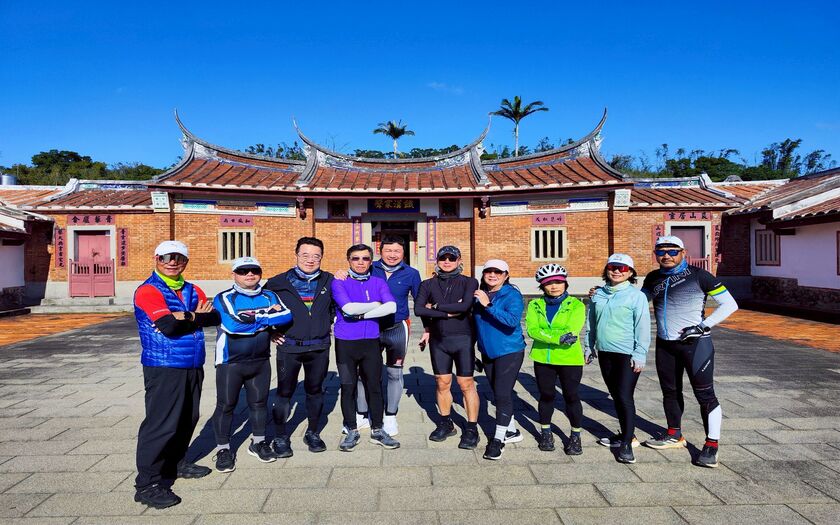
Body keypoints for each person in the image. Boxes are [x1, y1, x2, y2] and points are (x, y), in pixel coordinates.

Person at [133, 240, 220, 509]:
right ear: (156, 259)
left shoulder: (192, 289)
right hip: (164, 365)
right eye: (166, 257)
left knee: (187, 418)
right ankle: (147, 484)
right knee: (162, 424)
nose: (172, 262)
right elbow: (168, 326)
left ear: (186, 262)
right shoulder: (148, 290)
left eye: (179, 258)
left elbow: (214, 317)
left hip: (192, 363)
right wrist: (194, 317)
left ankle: (176, 463)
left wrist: (186, 315)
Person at [641, 235, 738, 468]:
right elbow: (638, 301)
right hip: (666, 344)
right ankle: (674, 434)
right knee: (670, 392)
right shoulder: (653, 277)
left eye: (672, 251)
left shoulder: (699, 275)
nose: (666, 255)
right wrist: (604, 293)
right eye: (661, 251)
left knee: (705, 395)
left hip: (695, 344)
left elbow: (730, 304)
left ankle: (711, 445)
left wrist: (703, 326)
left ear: (683, 253)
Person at [211, 257, 293, 472]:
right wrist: (268, 315)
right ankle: (223, 449)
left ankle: (258, 443)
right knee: (226, 405)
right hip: (230, 361)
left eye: (254, 270)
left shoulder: (269, 295)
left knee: (259, 403)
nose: (249, 274)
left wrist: (253, 317)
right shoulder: (224, 297)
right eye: (243, 271)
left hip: (260, 360)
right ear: (234, 274)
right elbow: (233, 325)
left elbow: (286, 316)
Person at [265, 237, 334, 456]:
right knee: (284, 392)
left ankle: (312, 432)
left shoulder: (330, 280)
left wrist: (328, 322)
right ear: (296, 255)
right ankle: (280, 436)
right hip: (290, 348)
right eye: (305, 255)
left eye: (316, 256)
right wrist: (270, 331)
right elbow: (261, 308)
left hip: (319, 347)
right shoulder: (277, 282)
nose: (310, 260)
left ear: (321, 257)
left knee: (315, 390)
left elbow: (336, 306)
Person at [332, 244, 401, 451]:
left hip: (371, 341)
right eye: (355, 258)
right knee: (348, 386)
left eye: (365, 258)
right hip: (346, 342)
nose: (360, 262)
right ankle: (351, 429)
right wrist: (376, 305)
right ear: (348, 260)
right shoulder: (339, 281)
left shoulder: (378, 282)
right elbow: (347, 308)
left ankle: (378, 429)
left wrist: (360, 315)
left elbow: (391, 307)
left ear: (371, 261)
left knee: (374, 386)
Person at [353, 235, 421, 436]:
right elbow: (350, 279)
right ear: (380, 251)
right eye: (388, 250)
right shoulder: (369, 267)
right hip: (370, 327)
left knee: (394, 373)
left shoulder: (412, 273)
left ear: (404, 253)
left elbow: (420, 301)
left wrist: (429, 328)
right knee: (363, 372)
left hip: (397, 328)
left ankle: (390, 416)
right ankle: (362, 414)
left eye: (397, 251)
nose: (392, 255)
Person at [415, 245, 481, 449]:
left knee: (466, 384)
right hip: (439, 340)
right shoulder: (427, 284)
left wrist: (434, 307)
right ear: (437, 260)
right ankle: (446, 423)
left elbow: (465, 306)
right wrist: (449, 312)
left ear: (459, 260)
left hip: (463, 338)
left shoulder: (470, 282)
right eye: (443, 258)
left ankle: (472, 428)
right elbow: (418, 309)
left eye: (452, 258)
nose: (447, 262)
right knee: (442, 382)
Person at [587, 254, 651, 464]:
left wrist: (640, 353)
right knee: (616, 395)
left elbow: (642, 327)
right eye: (613, 267)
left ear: (630, 273)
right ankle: (627, 434)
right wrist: (589, 346)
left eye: (622, 268)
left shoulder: (636, 296)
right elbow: (591, 323)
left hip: (627, 354)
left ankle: (627, 443)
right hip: (605, 352)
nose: (616, 271)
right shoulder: (598, 294)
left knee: (624, 396)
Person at [525, 263, 587, 455]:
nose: (554, 286)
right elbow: (532, 330)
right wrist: (557, 338)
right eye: (548, 283)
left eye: (558, 282)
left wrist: (547, 335)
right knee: (546, 396)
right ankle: (546, 432)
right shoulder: (535, 305)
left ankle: (575, 436)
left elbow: (571, 332)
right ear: (542, 286)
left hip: (569, 359)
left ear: (565, 283)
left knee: (571, 396)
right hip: (543, 358)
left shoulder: (576, 305)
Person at [473, 259, 526, 460]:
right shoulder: (479, 294)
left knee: (502, 394)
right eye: (489, 271)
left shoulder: (512, 294)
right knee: (497, 393)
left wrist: (488, 305)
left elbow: (511, 321)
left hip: (509, 351)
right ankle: (511, 430)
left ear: (506, 275)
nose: (492, 275)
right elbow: (474, 324)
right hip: (488, 352)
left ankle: (498, 440)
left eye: (498, 272)